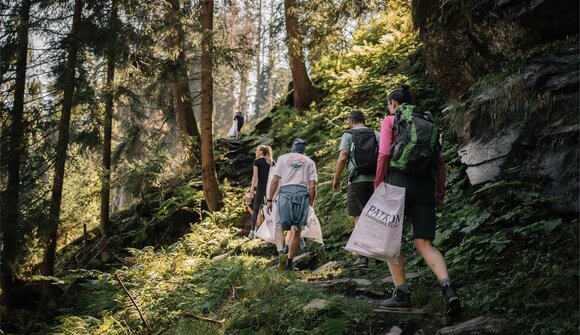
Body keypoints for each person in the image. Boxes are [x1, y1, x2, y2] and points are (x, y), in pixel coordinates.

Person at [375, 85, 461, 316]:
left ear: (393, 103)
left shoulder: (390, 120)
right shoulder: (428, 122)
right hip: (425, 185)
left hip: (397, 182)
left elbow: (383, 154)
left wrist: (378, 183)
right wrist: (439, 194)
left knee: (390, 242)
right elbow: (440, 162)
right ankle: (448, 289)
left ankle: (402, 294)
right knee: (425, 243)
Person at [332, 110, 379, 267]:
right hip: (376, 180)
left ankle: (362, 257)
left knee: (359, 217)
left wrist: (336, 177)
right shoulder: (375, 133)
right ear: (364, 120)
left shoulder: (348, 135)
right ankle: (379, 253)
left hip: (357, 180)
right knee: (375, 216)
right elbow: (385, 154)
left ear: (351, 121)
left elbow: (343, 156)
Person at [265, 139, 317, 271]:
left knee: (279, 227)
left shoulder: (283, 158)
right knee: (297, 230)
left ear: (293, 149)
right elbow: (312, 186)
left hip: (285, 194)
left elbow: (275, 180)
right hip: (302, 195)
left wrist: (270, 200)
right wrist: (310, 205)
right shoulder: (310, 162)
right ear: (303, 150)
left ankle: (281, 252)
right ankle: (288, 263)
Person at [248, 145, 274, 239]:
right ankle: (271, 232)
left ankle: (252, 232)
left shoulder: (257, 161)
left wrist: (251, 189)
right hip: (270, 188)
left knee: (256, 209)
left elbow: (255, 176)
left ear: (261, 152)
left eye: (257, 150)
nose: (255, 152)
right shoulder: (271, 162)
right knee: (270, 209)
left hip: (261, 187)